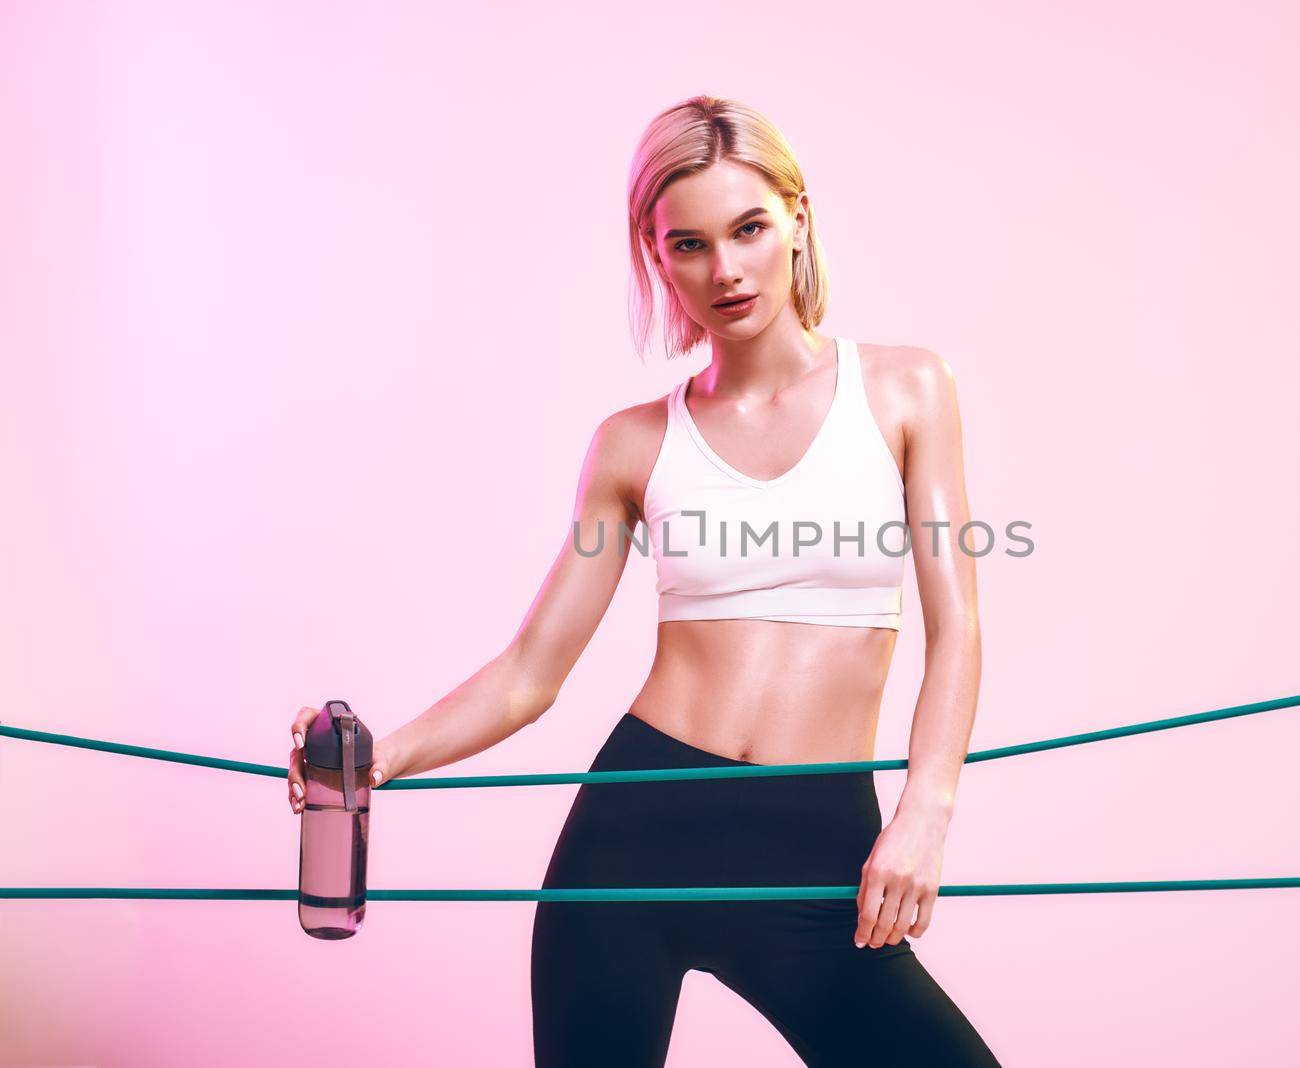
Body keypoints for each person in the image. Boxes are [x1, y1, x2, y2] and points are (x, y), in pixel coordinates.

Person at [286, 94, 1002, 1067]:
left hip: (817, 845)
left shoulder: (909, 389)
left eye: (749, 227)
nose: (727, 269)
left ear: (797, 214)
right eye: (690, 244)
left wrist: (927, 810)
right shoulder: (628, 447)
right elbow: (530, 675)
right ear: (655, 256)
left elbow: (955, 627)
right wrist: (378, 760)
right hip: (633, 840)